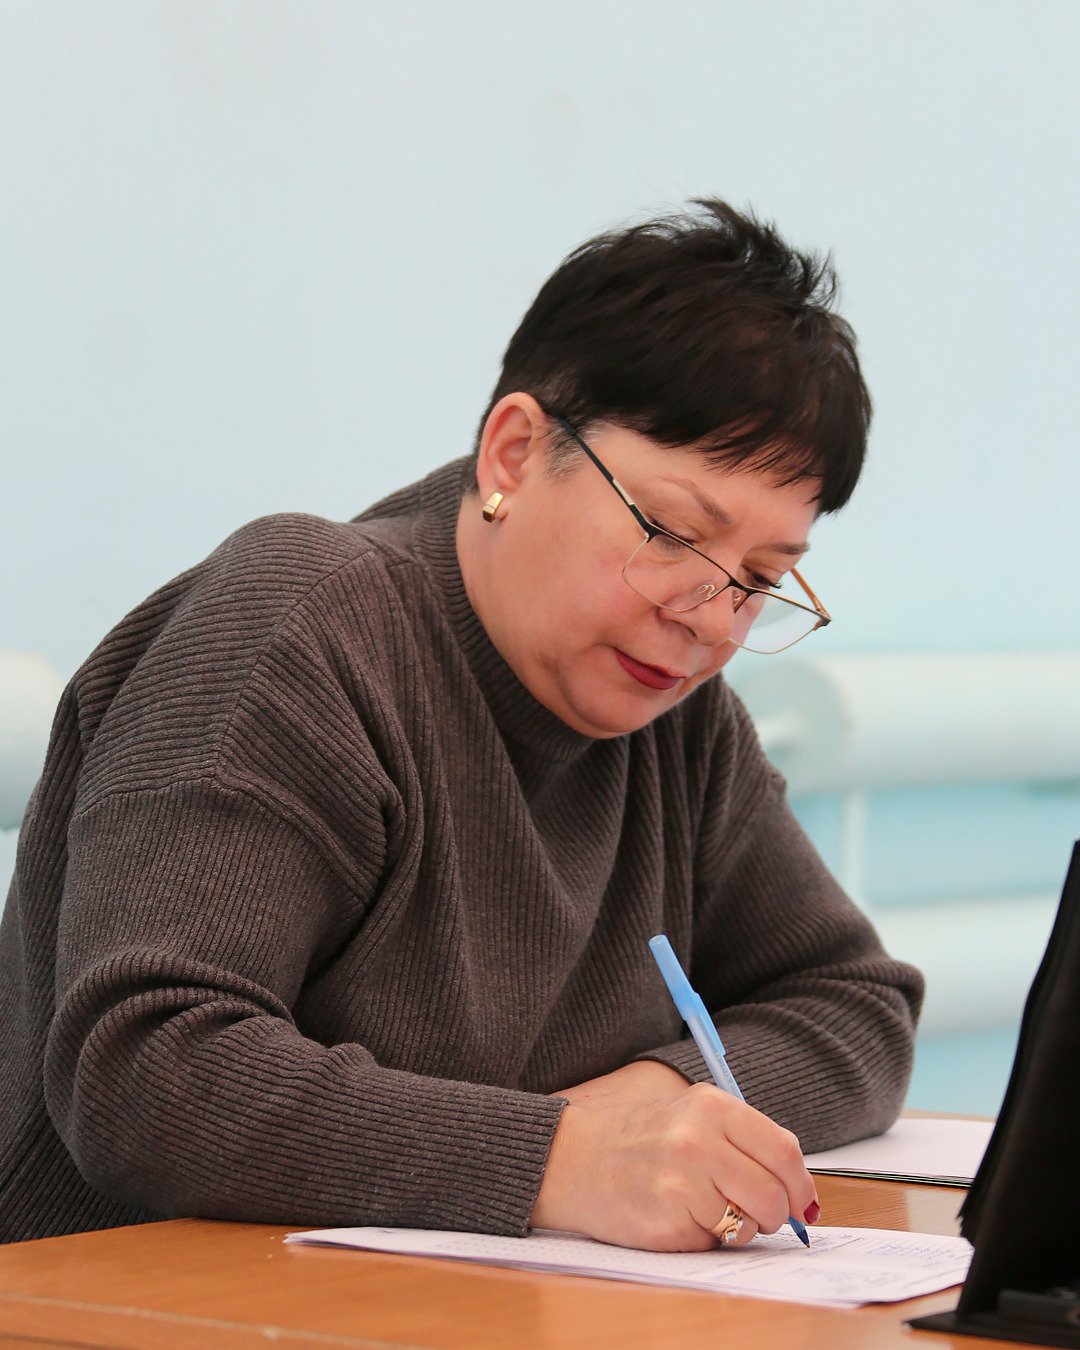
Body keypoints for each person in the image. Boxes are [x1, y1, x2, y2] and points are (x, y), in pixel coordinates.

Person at [0, 199, 923, 1249]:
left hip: (444, 1300)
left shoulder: (681, 721)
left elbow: (855, 1005)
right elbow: (145, 1072)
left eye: (759, 577)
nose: (711, 621)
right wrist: (557, 1157)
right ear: (515, 454)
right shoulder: (300, 628)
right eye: (671, 533)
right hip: (108, 1294)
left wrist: (652, 1100)